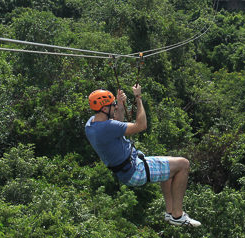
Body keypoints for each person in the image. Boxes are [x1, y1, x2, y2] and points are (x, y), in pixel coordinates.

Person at [84, 84, 201, 227]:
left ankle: (170, 212)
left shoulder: (91, 124)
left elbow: (116, 125)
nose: (114, 107)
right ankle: (177, 215)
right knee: (183, 164)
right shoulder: (107, 127)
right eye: (112, 105)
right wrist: (138, 98)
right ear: (104, 108)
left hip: (127, 170)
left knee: (170, 166)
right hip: (135, 171)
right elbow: (141, 125)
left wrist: (120, 105)